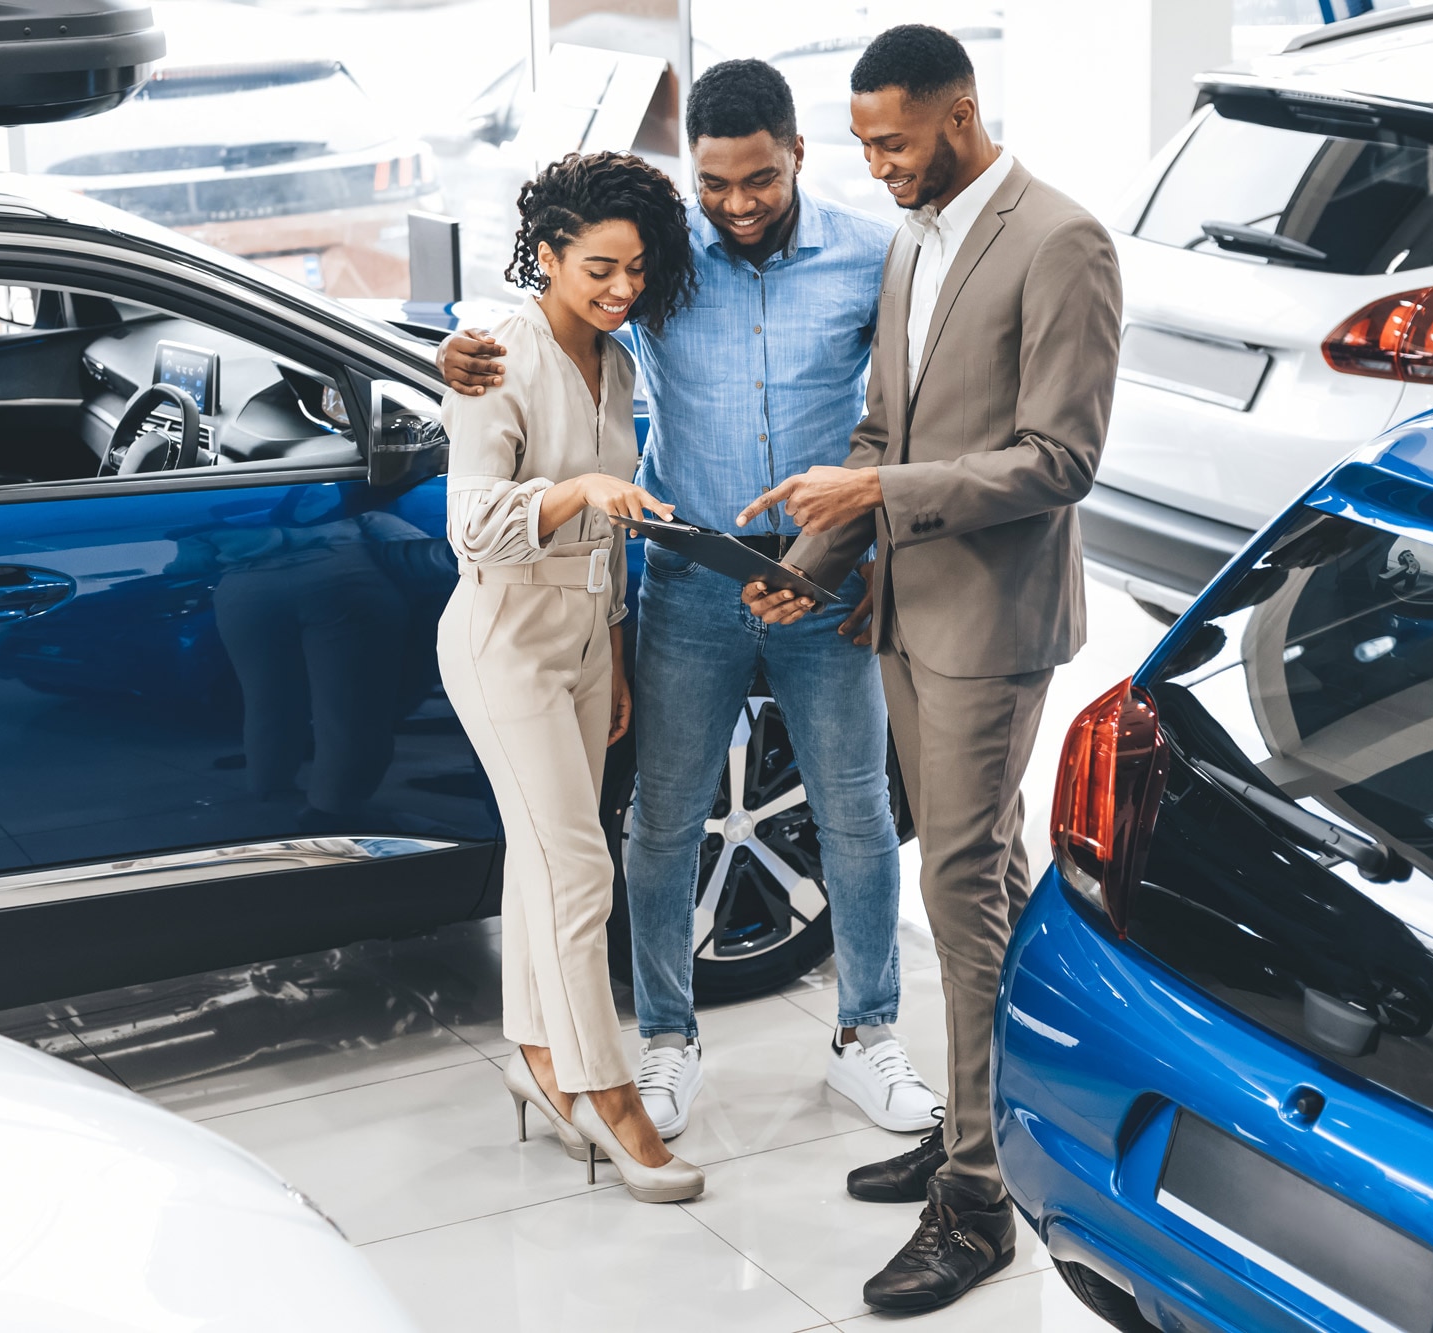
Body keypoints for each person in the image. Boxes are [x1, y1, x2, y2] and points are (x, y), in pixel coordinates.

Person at [438, 60, 941, 1143]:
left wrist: (845, 551)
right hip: (685, 575)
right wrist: (454, 347)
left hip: (821, 575)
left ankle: (867, 1036)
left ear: (797, 152)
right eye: (715, 183)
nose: (738, 203)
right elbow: (555, 308)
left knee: (854, 812)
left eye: (757, 178)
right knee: (660, 822)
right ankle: (667, 1041)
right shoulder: (661, 268)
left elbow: (897, 421)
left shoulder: (872, 257)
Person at [737, 25, 1123, 1313]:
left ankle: (978, 1197)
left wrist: (879, 489)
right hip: (901, 609)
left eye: (892, 143)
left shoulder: (1059, 240)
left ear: (960, 112)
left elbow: (1057, 461)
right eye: (861, 147)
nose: (876, 166)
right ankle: (987, 1117)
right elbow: (878, 429)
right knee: (985, 878)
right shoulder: (916, 235)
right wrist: (811, 562)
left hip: (989, 626)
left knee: (957, 885)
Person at [437, 150, 705, 1204]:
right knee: (579, 869)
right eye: (598, 266)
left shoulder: (619, 361)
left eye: (636, 269)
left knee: (540, 859)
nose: (621, 288)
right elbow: (473, 527)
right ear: (544, 252)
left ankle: (536, 1057)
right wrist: (575, 487)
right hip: (505, 637)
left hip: (589, 638)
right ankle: (603, 1088)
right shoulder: (498, 355)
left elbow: (614, 537)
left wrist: (620, 652)